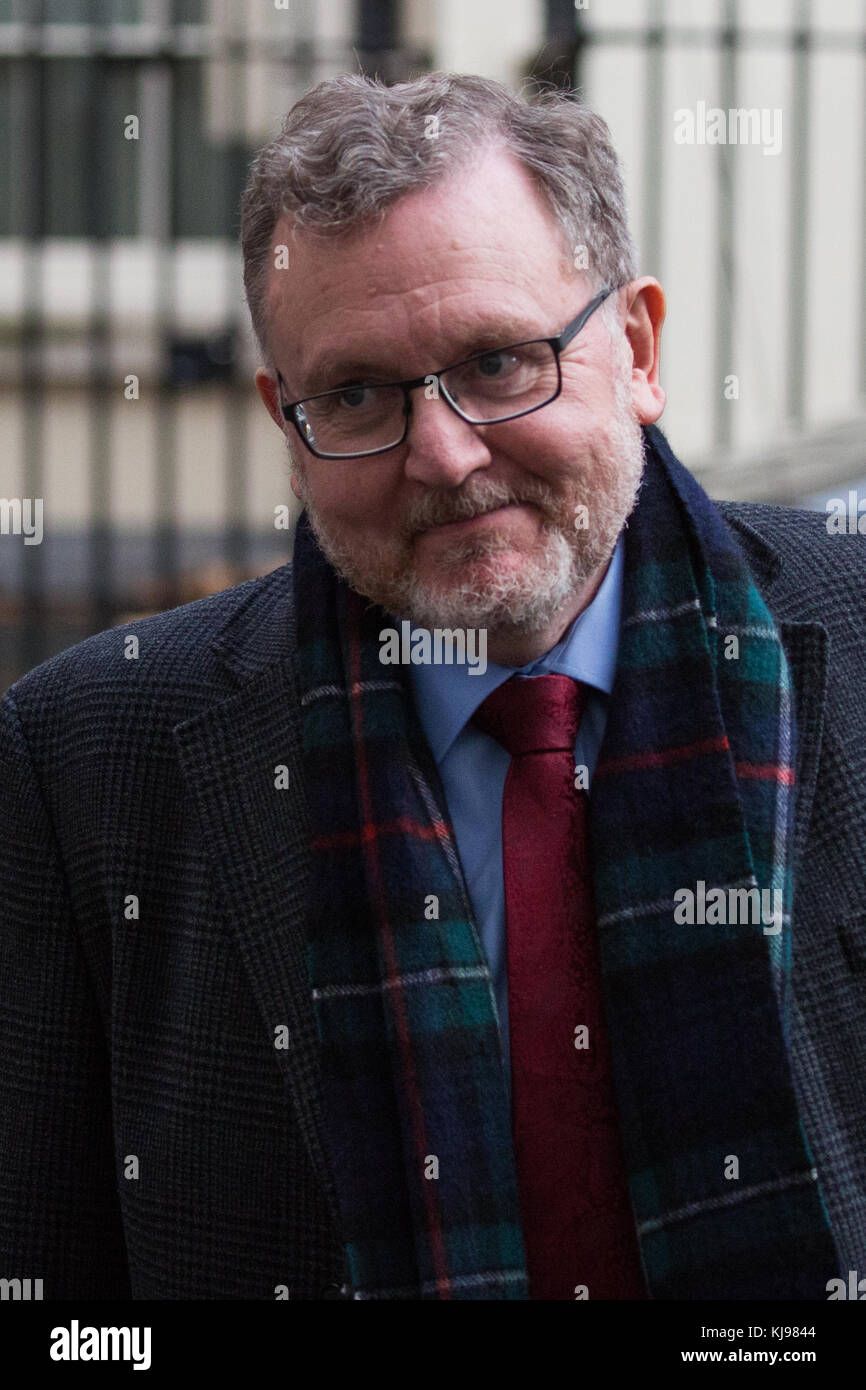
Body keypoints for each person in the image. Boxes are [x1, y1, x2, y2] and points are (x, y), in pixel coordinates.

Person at [2, 71, 865, 1303]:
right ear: (283, 421)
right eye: (354, 395)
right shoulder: (84, 764)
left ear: (636, 347)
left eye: (499, 361)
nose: (445, 453)